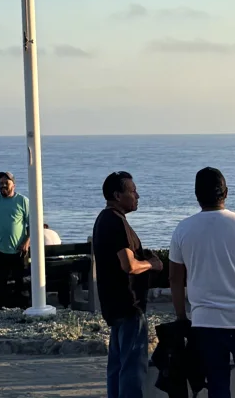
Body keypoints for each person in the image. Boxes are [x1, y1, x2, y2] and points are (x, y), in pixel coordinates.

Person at [168, 167, 235, 398]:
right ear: (225, 193)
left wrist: (181, 316)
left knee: (217, 387)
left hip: (206, 322)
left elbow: (175, 278)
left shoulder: (182, 230)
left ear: (197, 195)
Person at [92, 170, 163, 398]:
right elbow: (129, 265)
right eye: (133, 191)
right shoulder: (116, 221)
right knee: (132, 368)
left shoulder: (104, 219)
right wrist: (152, 264)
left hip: (114, 304)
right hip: (128, 305)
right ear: (117, 195)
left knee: (117, 367)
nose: (137, 196)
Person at [0, 171, 30, 309]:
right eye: (1, 183)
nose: (3, 185)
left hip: (19, 250)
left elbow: (32, 224)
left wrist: (26, 242)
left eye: (6, 183)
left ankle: (21, 309)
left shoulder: (23, 201)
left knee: (20, 283)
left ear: (13, 185)